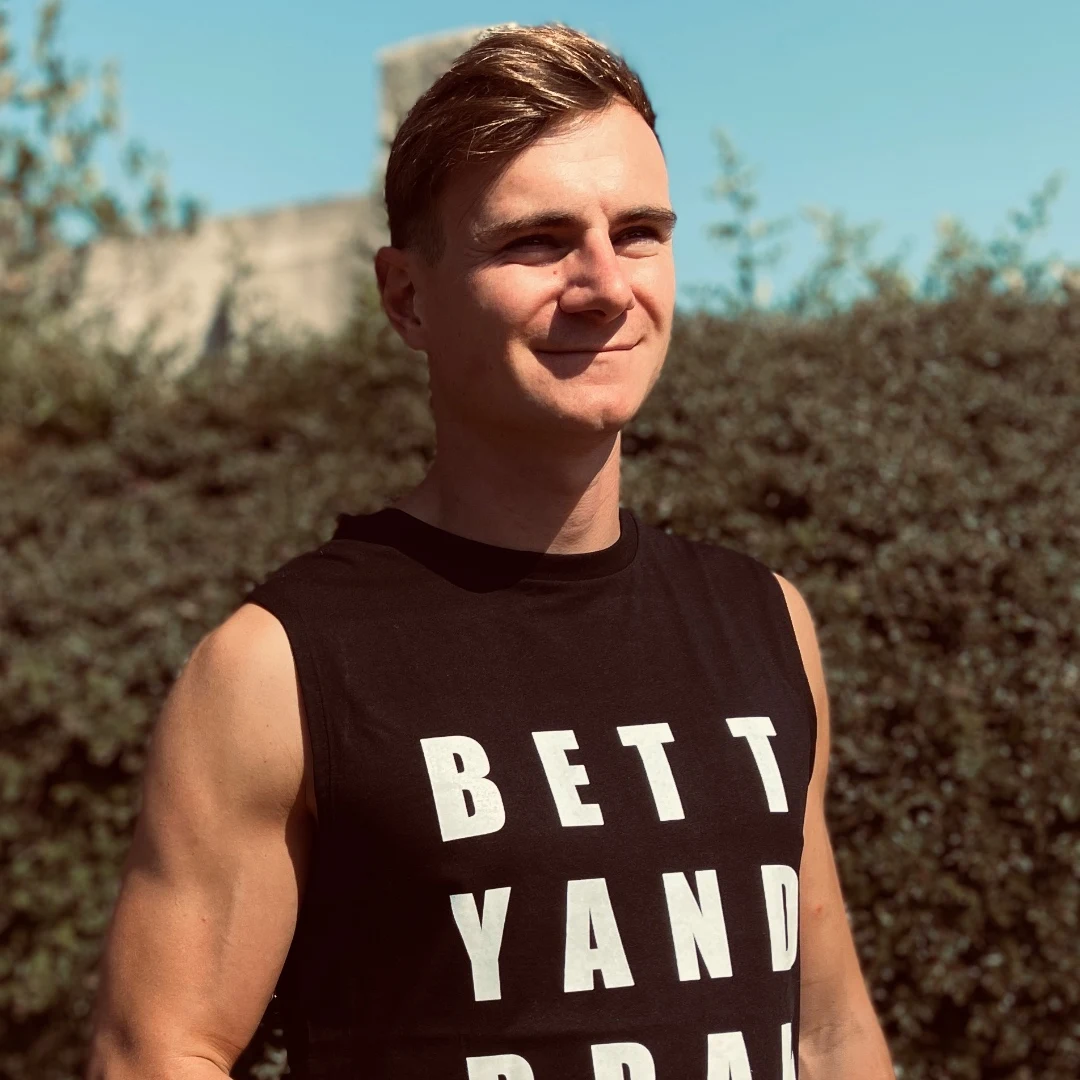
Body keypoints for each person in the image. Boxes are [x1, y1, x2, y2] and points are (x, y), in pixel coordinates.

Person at [86, 22, 895, 1080]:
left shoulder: (764, 623)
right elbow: (158, 1053)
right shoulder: (279, 669)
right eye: (537, 241)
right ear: (406, 298)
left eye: (639, 232)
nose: (605, 284)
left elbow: (826, 1033)